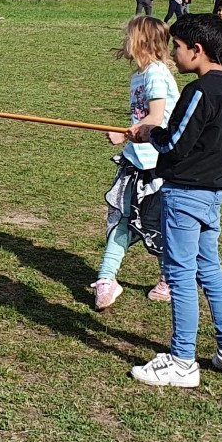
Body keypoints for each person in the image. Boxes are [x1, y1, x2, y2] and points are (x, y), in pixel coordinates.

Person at [128, 14, 222, 388]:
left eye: (177, 47)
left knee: (180, 275)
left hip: (185, 196)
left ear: (196, 50)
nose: (174, 54)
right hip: (212, 194)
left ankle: (182, 362)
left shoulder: (200, 91)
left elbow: (173, 143)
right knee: (209, 269)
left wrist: (147, 132)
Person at [92, 17, 179, 310]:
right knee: (123, 218)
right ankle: (106, 278)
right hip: (135, 161)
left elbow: (156, 119)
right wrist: (129, 137)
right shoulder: (139, 75)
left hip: (158, 164)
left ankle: (169, 279)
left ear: (142, 40)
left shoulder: (156, 73)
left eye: (129, 35)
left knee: (156, 223)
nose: (125, 40)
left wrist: (124, 134)